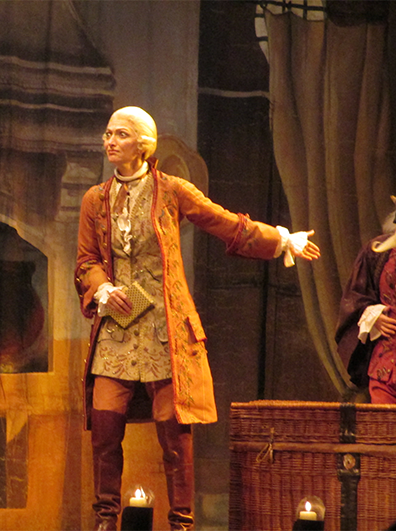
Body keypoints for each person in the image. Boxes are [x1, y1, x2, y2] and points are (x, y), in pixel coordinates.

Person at [74, 106, 320, 531]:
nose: (110, 141)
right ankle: (105, 520)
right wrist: (102, 288)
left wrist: (280, 240)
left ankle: (181, 523)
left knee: (174, 435)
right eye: (108, 134)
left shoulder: (172, 190)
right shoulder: (95, 199)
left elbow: (225, 223)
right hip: (116, 329)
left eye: (121, 134)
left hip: (165, 330)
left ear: (143, 144)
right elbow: (85, 260)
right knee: (104, 429)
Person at [336, 196, 396, 403]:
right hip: (385, 370)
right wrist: (373, 316)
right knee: (383, 423)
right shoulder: (378, 252)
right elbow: (356, 297)